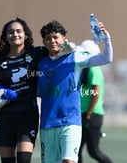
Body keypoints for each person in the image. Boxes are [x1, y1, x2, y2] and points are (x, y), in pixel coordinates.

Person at [37, 20, 113, 163]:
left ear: (64, 39)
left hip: (70, 123)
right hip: (47, 124)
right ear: (44, 42)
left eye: (55, 37)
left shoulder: (76, 57)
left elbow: (106, 58)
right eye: (48, 38)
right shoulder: (40, 63)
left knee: (69, 161)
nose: (52, 41)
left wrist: (106, 37)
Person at [0, 17, 49, 163]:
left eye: (18, 31)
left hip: (28, 115)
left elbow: (55, 49)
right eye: (11, 32)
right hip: (5, 116)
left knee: (23, 160)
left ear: (26, 35)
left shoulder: (35, 53)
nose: (15, 34)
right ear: (5, 36)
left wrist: (70, 48)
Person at [78, 40, 113, 163]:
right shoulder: (84, 69)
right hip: (83, 114)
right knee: (76, 151)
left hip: (91, 115)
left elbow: (96, 92)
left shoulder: (94, 69)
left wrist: (89, 113)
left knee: (93, 151)